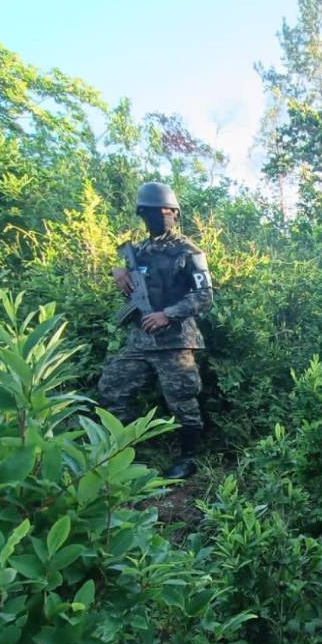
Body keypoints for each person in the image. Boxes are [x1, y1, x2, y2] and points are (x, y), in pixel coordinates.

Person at [97, 182, 213, 479]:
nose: (160, 216)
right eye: (151, 212)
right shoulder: (137, 252)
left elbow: (204, 296)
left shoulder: (188, 251)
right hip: (140, 339)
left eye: (166, 211)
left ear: (175, 213)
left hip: (176, 340)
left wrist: (168, 314)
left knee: (182, 398)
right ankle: (122, 452)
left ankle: (188, 458)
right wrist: (119, 272)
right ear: (142, 215)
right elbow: (131, 287)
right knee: (111, 387)